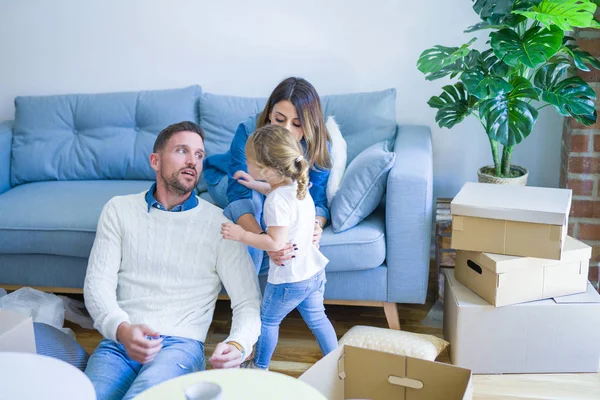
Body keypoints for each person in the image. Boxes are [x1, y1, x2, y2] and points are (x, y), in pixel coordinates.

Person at [83, 121, 261, 400]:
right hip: (120, 340)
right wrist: (121, 328)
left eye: (199, 155)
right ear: (155, 160)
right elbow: (97, 284)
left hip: (180, 345)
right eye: (182, 151)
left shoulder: (220, 224)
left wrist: (238, 343)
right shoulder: (118, 210)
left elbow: (248, 301)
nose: (193, 161)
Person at [221, 124, 338, 370]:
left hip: (289, 279)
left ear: (267, 169)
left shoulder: (275, 202)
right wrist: (255, 184)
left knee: (267, 321)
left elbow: (275, 242)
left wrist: (241, 234)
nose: (246, 163)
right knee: (318, 319)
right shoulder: (297, 183)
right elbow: (275, 189)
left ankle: (259, 366)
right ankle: (338, 363)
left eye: (250, 161)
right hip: (314, 271)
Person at [204, 77, 332, 271]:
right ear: (270, 112)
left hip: (273, 190)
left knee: (279, 203)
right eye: (279, 119)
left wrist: (315, 227)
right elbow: (239, 194)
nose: (285, 129)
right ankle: (249, 299)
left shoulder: (318, 145)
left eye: (297, 124)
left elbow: (317, 201)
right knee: (256, 201)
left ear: (310, 124)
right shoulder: (248, 129)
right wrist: (265, 242)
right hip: (229, 180)